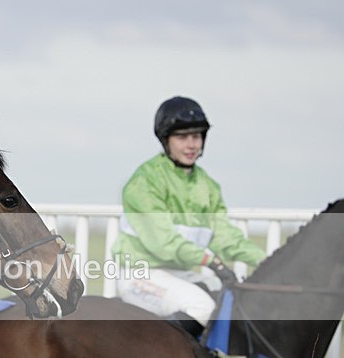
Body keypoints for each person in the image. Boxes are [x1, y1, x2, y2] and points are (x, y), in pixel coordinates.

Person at [112, 96, 266, 337]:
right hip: (139, 274)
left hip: (176, 275)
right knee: (201, 307)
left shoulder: (208, 186)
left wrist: (267, 261)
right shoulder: (144, 181)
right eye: (182, 137)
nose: (191, 145)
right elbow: (164, 245)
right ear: (166, 141)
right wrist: (211, 262)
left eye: (196, 136)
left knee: (230, 299)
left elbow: (226, 238)